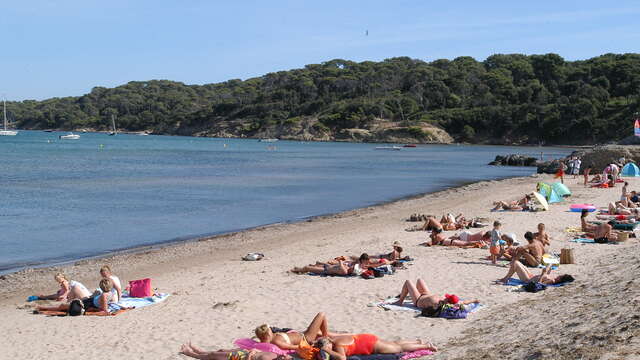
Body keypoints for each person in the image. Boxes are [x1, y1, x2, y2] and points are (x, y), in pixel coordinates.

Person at [393, 279, 479, 315]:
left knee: (408, 282)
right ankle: (408, 294)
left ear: (448, 300)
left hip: (418, 300)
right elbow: (464, 302)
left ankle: (400, 301)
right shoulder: (455, 303)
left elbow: (431, 310)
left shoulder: (437, 304)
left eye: (447, 297)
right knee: (420, 280)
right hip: (426, 294)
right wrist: (474, 300)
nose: (445, 297)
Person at [36, 278, 116, 315]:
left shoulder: (104, 295)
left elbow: (104, 310)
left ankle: (42, 308)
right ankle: (42, 308)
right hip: (87, 302)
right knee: (63, 307)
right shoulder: (111, 293)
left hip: (84, 305)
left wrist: (93, 310)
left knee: (62, 307)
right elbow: (109, 303)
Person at [255, 312, 330, 350]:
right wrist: (311, 346)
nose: (271, 329)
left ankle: (325, 336)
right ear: (267, 334)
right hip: (307, 338)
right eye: (269, 329)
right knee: (321, 314)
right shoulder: (276, 341)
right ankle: (325, 338)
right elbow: (295, 347)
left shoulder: (273, 337)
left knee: (319, 330)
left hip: (303, 334)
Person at [179, 343, 289, 360]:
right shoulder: (278, 355)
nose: (285, 357)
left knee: (214, 355)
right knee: (220, 350)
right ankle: (200, 351)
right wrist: (253, 351)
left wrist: (250, 355)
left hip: (240, 357)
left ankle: (189, 353)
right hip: (244, 352)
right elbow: (259, 350)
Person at [498, 261, 574, 285]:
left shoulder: (552, 281)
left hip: (528, 279)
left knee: (515, 264)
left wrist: (543, 274)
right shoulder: (554, 278)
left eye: (561, 276)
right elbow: (546, 274)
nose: (560, 275)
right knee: (517, 262)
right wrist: (549, 267)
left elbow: (540, 284)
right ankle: (505, 278)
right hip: (531, 276)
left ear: (561, 278)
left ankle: (505, 279)